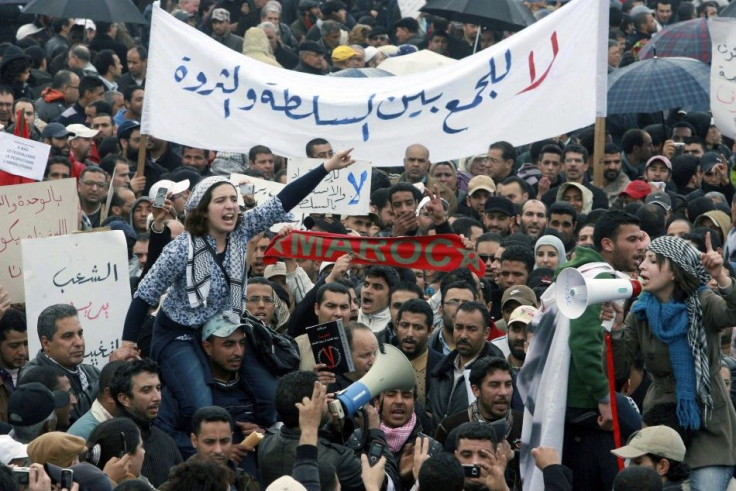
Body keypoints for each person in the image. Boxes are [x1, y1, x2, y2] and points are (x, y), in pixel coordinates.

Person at [122, 149, 356, 441]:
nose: (231, 206)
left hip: (226, 331)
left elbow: (284, 199)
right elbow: (145, 296)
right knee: (201, 404)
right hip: (180, 335)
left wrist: (327, 167)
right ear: (203, 209)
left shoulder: (243, 229)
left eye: (233, 199)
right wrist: (126, 345)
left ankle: (275, 447)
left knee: (271, 396)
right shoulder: (181, 248)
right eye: (221, 201)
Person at [609, 234, 736, 490]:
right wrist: (616, 327)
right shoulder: (640, 311)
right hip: (661, 420)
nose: (642, 266)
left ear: (674, 272)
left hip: (707, 419)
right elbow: (618, 369)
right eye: (643, 259)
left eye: (653, 261)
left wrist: (721, 276)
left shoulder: (702, 302)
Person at [21, 304, 101, 423]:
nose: (79, 342)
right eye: (68, 336)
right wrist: (106, 379)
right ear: (46, 343)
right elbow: (73, 415)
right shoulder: (33, 375)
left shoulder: (92, 372)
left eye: (80, 334)